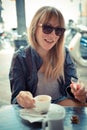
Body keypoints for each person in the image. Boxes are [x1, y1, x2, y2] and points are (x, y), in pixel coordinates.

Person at [9, 6, 87, 108]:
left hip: (60, 108)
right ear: (35, 28)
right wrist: (21, 98)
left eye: (58, 30)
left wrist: (77, 92)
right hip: (35, 111)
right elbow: (15, 99)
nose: (53, 35)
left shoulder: (65, 53)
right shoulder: (20, 58)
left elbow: (72, 84)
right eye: (47, 28)